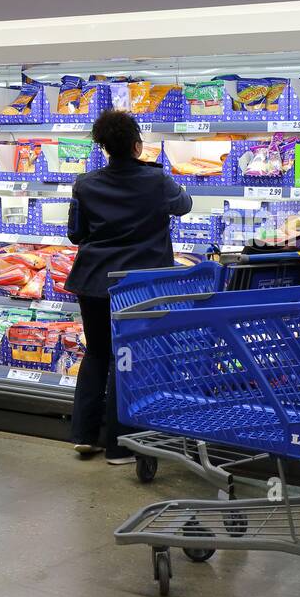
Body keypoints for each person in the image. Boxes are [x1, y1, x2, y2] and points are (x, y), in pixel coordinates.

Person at [66, 110, 191, 464]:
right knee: (130, 359)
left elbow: (75, 234)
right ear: (137, 146)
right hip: (140, 286)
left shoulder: (85, 183)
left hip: (94, 282)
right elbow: (184, 205)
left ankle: (84, 435)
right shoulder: (157, 181)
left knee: (97, 354)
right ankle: (121, 446)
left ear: (104, 147)